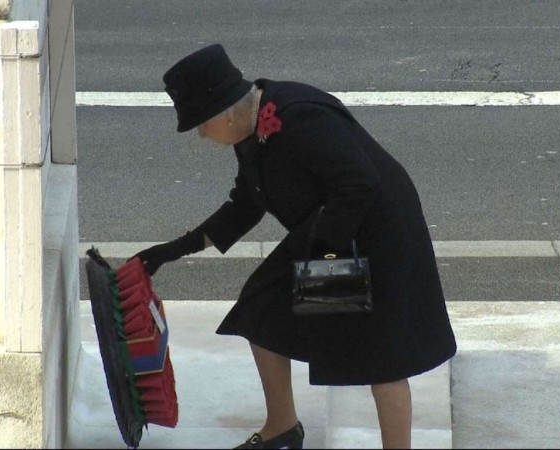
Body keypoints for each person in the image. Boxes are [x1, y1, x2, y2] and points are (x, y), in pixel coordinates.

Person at [133, 43, 457, 449]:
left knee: (383, 356)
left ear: (226, 112)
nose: (201, 134)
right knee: (260, 309)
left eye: (201, 124)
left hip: (381, 236)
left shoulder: (301, 117)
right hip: (327, 233)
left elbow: (360, 183)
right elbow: (245, 203)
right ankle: (281, 429)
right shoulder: (249, 131)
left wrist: (325, 263)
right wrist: (174, 249)